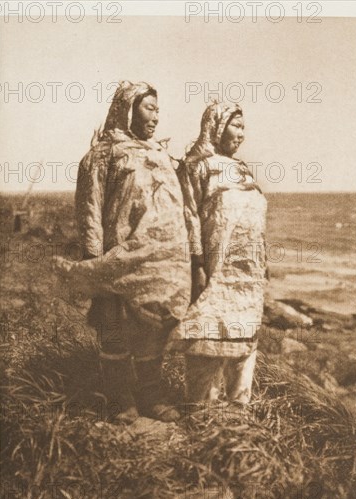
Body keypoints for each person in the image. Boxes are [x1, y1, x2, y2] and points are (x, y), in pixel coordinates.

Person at [56, 81, 191, 423]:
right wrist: (94, 263)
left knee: (153, 331)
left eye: (158, 110)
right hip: (116, 259)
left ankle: (150, 396)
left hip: (158, 264)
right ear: (128, 108)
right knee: (114, 330)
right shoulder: (101, 155)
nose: (156, 117)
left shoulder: (158, 155)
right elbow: (90, 210)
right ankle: (119, 399)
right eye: (149, 108)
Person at [170, 101, 268, 404]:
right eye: (235, 126)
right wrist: (197, 264)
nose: (241, 134)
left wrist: (263, 262)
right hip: (213, 268)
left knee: (244, 340)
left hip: (248, 274)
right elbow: (189, 216)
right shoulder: (196, 165)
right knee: (207, 335)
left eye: (243, 127)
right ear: (217, 126)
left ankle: (240, 410)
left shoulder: (241, 169)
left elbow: (256, 220)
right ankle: (201, 410)